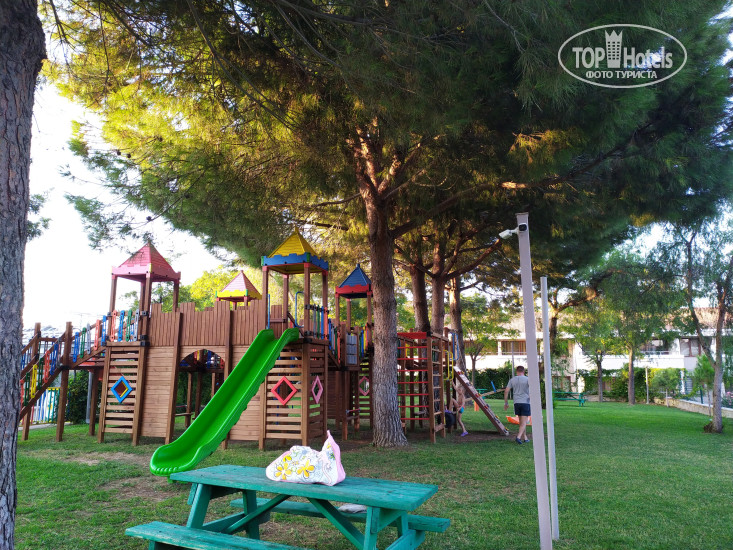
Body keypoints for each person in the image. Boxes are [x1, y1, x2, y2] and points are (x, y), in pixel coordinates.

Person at [504, 365, 531, 444]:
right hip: (525, 402)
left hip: (516, 403)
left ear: (517, 371)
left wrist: (506, 403)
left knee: (521, 422)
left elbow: (506, 391)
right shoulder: (527, 379)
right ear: (523, 371)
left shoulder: (512, 380)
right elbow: (532, 390)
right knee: (524, 422)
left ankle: (525, 437)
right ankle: (518, 437)